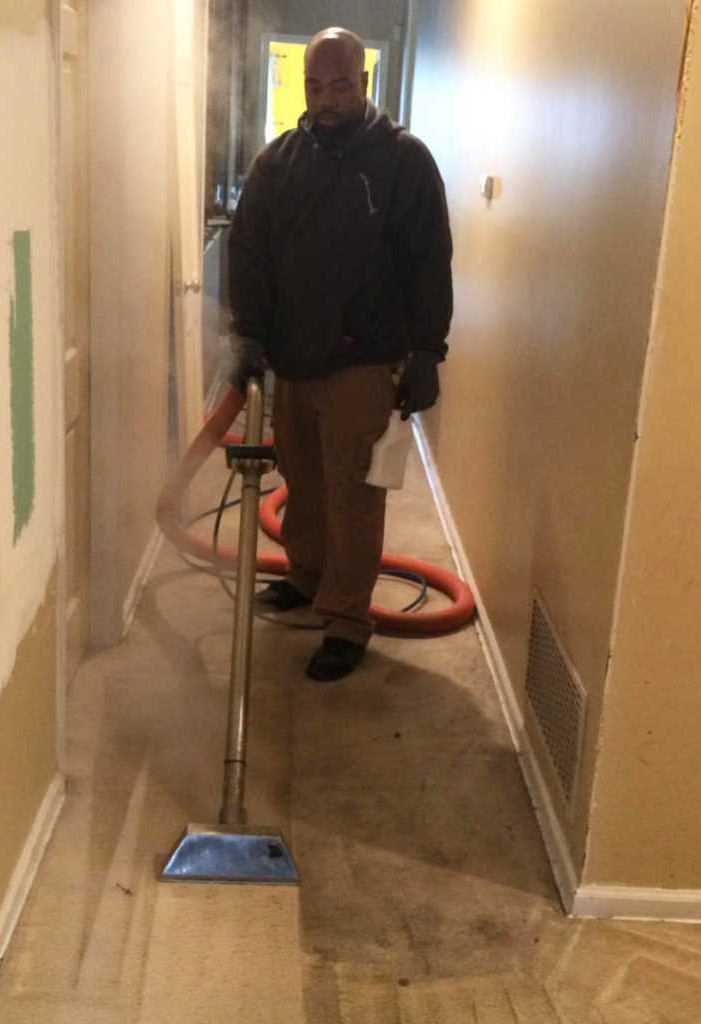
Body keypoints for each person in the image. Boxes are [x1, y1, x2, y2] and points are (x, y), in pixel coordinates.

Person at [227, 26, 453, 681]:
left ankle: (348, 621)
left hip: (360, 364)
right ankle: (306, 577)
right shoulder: (280, 163)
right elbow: (250, 253)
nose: (326, 99)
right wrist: (249, 333)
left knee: (353, 496)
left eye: (341, 85)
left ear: (365, 82)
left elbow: (428, 263)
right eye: (315, 86)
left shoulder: (404, 162)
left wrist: (425, 352)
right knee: (304, 483)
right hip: (293, 361)